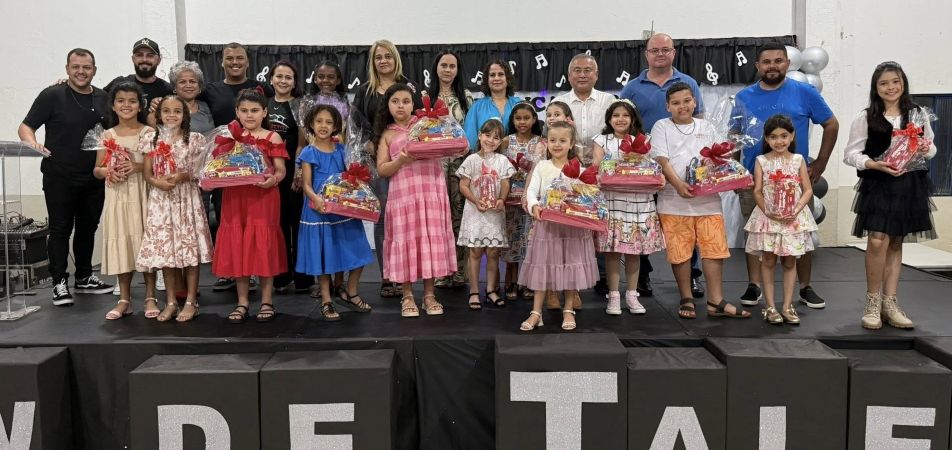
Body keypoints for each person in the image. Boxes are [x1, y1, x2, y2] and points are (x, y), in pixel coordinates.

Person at [733, 42, 839, 310]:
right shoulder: (744, 97)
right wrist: (734, 174)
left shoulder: (804, 91)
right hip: (754, 180)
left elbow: (831, 124)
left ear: (787, 63)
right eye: (766, 62)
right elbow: (734, 138)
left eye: (778, 60)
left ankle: (805, 287)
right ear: (757, 66)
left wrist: (822, 162)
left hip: (795, 181)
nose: (772, 66)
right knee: (755, 234)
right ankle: (754, 286)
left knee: (799, 235)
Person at [843, 61, 937, 330]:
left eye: (895, 81)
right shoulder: (865, 117)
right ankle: (872, 302)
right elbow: (851, 154)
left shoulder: (918, 114)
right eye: (883, 83)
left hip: (910, 185)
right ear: (875, 88)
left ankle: (890, 302)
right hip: (879, 185)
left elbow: (931, 150)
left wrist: (923, 146)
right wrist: (873, 164)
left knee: (896, 242)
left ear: (903, 82)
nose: (890, 87)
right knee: (876, 241)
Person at [19, 48, 115, 305]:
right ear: (67, 69)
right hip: (59, 175)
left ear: (94, 70)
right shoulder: (53, 95)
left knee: (88, 227)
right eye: (76, 67)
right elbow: (26, 126)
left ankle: (84, 277)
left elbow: (113, 133)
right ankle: (59, 282)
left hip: (94, 176)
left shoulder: (104, 98)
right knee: (61, 229)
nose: (81, 72)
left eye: (86, 67)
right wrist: (32, 144)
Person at [652, 83, 750, 320]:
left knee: (714, 250)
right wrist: (678, 185)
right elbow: (662, 161)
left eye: (686, 101)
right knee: (680, 253)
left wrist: (719, 166)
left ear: (695, 102)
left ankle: (716, 300)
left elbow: (718, 157)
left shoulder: (707, 126)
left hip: (708, 201)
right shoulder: (661, 126)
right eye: (675, 103)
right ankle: (686, 296)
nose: (682, 106)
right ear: (668, 106)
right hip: (673, 201)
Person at [619, 32, 706, 299]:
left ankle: (692, 276)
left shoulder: (688, 82)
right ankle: (642, 275)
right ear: (646, 54)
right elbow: (623, 124)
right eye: (654, 50)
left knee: (686, 221)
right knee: (641, 219)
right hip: (642, 165)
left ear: (673, 53)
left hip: (680, 167)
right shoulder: (632, 87)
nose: (660, 54)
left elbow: (699, 121)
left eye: (665, 50)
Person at [375, 83, 456, 318]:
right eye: (395, 101)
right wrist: (400, 160)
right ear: (388, 106)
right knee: (407, 239)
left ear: (414, 103)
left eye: (406, 101)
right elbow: (382, 170)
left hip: (431, 191)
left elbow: (450, 145)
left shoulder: (427, 124)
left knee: (429, 240)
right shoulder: (387, 134)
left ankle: (429, 295)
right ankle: (407, 295)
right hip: (404, 196)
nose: (401, 106)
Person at [352, 40, 423, 300]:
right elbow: (357, 123)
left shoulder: (410, 86)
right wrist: (372, 142)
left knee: (408, 218)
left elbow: (421, 120)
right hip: (377, 159)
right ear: (373, 62)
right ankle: (387, 277)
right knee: (384, 219)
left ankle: (410, 275)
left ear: (396, 59)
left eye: (387, 56)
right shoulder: (364, 90)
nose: (383, 61)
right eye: (378, 57)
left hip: (408, 160)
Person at [200, 43, 274, 292]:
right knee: (227, 220)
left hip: (257, 175)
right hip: (227, 171)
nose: (234, 62)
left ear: (247, 61)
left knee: (257, 225)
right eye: (229, 58)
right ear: (221, 61)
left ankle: (255, 270)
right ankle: (231, 270)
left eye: (239, 58)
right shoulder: (210, 90)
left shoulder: (263, 88)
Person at [136, 95, 213, 323]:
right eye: (167, 111)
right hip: (162, 201)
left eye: (177, 111)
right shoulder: (151, 138)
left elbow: (201, 172)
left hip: (186, 198)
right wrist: (157, 182)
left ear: (184, 115)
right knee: (167, 251)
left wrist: (182, 176)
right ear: (159, 115)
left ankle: (190, 301)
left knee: (189, 251)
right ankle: (170, 301)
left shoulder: (196, 139)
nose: (172, 115)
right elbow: (148, 173)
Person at [214, 89, 288, 324]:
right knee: (239, 246)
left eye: (255, 110)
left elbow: (281, 170)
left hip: (263, 198)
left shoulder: (272, 137)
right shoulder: (229, 137)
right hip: (235, 198)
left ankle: (267, 300)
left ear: (264, 112)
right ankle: (242, 301)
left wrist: (272, 180)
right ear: (236, 112)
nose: (249, 115)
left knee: (263, 246)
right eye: (244, 110)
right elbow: (219, 167)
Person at [518, 121, 598, 331]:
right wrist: (534, 205)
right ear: (546, 142)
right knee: (542, 267)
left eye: (562, 140)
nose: (557, 144)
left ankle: (568, 309)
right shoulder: (542, 167)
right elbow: (531, 191)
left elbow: (589, 194)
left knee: (570, 266)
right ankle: (536, 312)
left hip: (572, 229)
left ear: (571, 143)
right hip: (547, 228)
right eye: (553, 140)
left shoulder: (579, 168)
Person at [297, 104, 374, 321]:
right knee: (324, 257)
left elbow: (350, 177)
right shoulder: (308, 152)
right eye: (319, 121)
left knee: (358, 251)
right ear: (311, 124)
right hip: (318, 211)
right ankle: (326, 300)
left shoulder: (343, 150)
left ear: (336, 127)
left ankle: (351, 291)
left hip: (343, 210)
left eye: (329, 122)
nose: (323, 126)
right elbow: (306, 185)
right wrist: (316, 199)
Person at [592, 100, 665, 315]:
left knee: (635, 252)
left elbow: (653, 167)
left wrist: (658, 177)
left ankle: (632, 295)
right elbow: (597, 169)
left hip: (639, 203)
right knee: (613, 252)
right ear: (609, 119)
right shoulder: (601, 140)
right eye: (616, 115)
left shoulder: (644, 140)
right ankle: (613, 297)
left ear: (633, 118)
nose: (620, 119)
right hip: (612, 202)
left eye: (625, 115)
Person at [92, 83, 158, 320]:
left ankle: (151, 296)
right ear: (113, 105)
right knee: (122, 244)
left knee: (144, 243)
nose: (126, 105)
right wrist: (108, 171)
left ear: (140, 105)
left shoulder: (149, 133)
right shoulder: (107, 135)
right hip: (118, 195)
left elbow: (155, 166)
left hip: (143, 193)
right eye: (121, 101)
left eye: (132, 101)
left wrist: (137, 166)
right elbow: (97, 169)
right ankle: (124, 299)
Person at [744, 115, 818, 325]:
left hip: (792, 218)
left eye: (784, 136)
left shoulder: (798, 160)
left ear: (792, 135)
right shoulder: (762, 161)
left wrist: (796, 209)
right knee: (767, 260)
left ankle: (787, 305)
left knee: (789, 260)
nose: (779, 141)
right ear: (766, 139)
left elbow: (807, 189)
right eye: (774, 137)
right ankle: (770, 306)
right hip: (769, 217)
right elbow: (757, 191)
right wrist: (768, 211)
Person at [457, 119, 515, 310]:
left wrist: (502, 199)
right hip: (475, 212)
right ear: (480, 136)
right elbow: (463, 185)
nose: (491, 140)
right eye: (487, 135)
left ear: (500, 142)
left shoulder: (502, 161)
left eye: (496, 138)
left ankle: (491, 290)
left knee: (493, 252)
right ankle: (474, 291)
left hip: (494, 213)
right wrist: (475, 201)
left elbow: (505, 183)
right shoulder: (471, 160)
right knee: (475, 251)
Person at [266, 60, 313, 294]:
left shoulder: (300, 106)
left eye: (288, 77)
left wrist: (297, 171)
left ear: (295, 82)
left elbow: (302, 144)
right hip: (271, 174)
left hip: (294, 172)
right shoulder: (264, 105)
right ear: (271, 78)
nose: (283, 81)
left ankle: (304, 277)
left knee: (298, 224)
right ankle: (282, 275)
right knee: (279, 224)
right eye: (279, 76)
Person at [431, 50, 474, 289]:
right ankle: (439, 270)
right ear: (436, 67)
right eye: (443, 65)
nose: (447, 70)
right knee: (438, 218)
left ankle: (459, 270)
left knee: (458, 216)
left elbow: (470, 132)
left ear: (458, 70)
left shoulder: (466, 97)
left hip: (459, 164)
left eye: (452, 66)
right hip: (434, 165)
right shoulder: (425, 96)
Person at [501, 102, 545, 300]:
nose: (522, 122)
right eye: (518, 118)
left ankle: (528, 282)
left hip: (531, 199)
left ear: (534, 119)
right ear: (512, 120)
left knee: (529, 241)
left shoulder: (541, 142)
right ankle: (509, 281)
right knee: (511, 240)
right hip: (509, 198)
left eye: (526, 118)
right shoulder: (505, 142)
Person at [553, 53, 616, 167]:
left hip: (604, 164)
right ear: (569, 75)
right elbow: (551, 135)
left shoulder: (609, 101)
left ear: (596, 75)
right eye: (577, 70)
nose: (582, 75)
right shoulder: (558, 103)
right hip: (566, 164)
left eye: (587, 70)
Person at [104, 38, 173, 125]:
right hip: (120, 137)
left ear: (158, 60)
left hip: (155, 137)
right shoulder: (119, 83)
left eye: (150, 56)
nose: (144, 59)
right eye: (139, 55)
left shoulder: (167, 89)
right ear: (133, 59)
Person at [463, 59, 521, 149]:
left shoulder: (518, 104)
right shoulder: (476, 107)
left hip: (516, 160)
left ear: (507, 79)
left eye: (501, 74)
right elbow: (470, 142)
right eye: (492, 75)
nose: (496, 78)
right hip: (484, 160)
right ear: (487, 80)